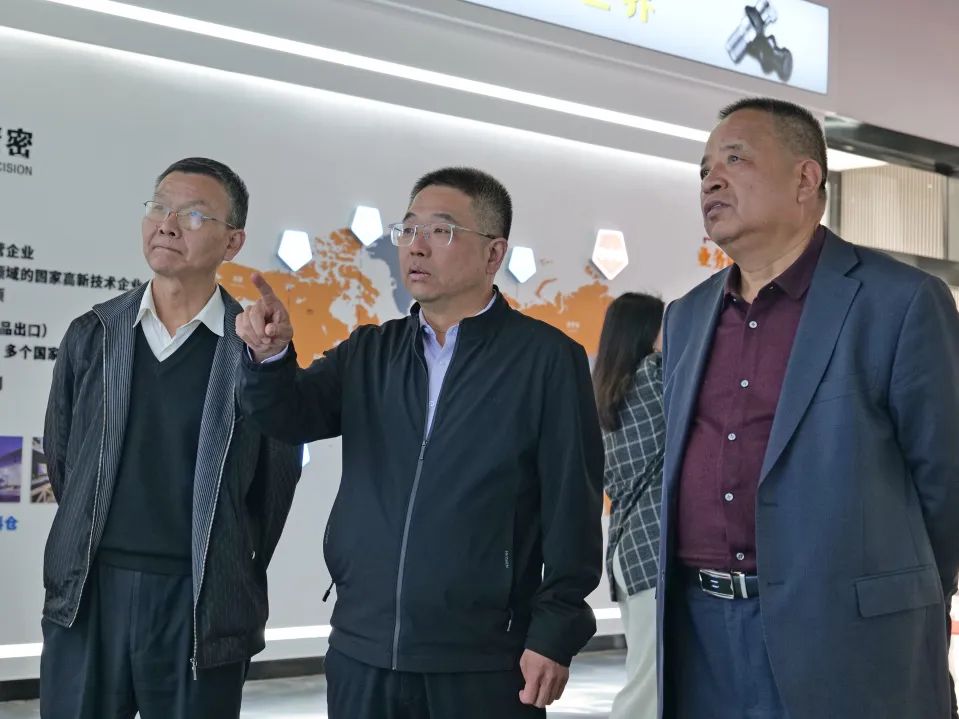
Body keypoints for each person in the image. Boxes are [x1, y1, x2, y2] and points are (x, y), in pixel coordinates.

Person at [236, 166, 604, 718]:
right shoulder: (371, 351)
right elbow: (289, 415)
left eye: (441, 230)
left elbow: (572, 506)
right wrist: (269, 359)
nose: (417, 246)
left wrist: (554, 632)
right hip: (362, 645)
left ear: (493, 253)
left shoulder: (546, 360)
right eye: (408, 230)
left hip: (485, 656)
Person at [657, 97, 959, 719]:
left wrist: (902, 591)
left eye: (735, 159)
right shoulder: (686, 316)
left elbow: (947, 482)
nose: (711, 180)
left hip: (848, 638)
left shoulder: (899, 302)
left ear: (805, 178)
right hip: (701, 636)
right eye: (704, 169)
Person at [41, 157, 302, 719]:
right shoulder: (95, 333)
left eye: (193, 215)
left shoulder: (251, 349)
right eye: (158, 207)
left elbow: (275, 487)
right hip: (90, 593)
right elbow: (62, 460)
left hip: (202, 599)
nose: (167, 224)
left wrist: (232, 558)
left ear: (233, 241)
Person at [593, 292, 665, 719]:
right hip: (654, 546)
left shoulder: (606, 393)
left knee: (646, 672)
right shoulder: (655, 375)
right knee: (649, 686)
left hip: (628, 549)